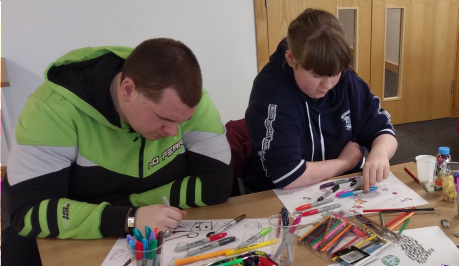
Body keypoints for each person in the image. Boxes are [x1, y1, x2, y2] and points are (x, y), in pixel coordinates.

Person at [2, 38, 233, 265]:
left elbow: (216, 185)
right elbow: (28, 211)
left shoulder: (185, 100)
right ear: (128, 90)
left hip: (152, 236)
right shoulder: (52, 110)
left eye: (183, 121)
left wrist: (133, 207)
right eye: (163, 119)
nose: (174, 132)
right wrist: (129, 218)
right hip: (75, 246)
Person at [244, 8, 398, 193]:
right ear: (291, 58)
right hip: (281, 194)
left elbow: (382, 129)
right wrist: (344, 162)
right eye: (317, 75)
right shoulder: (272, 92)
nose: (327, 85)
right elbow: (288, 175)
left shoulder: (346, 80)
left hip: (342, 186)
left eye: (334, 74)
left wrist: (380, 152)